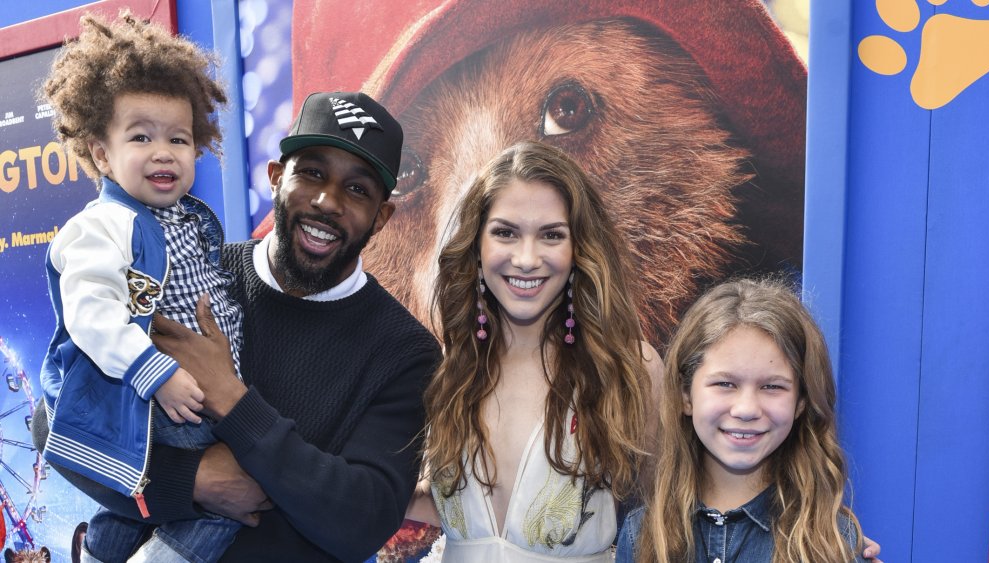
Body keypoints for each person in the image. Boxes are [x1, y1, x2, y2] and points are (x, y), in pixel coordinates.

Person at [32, 89, 442, 562]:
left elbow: (361, 523)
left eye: (358, 189)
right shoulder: (192, 277)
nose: (328, 200)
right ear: (275, 177)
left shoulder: (405, 350)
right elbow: (54, 419)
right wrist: (193, 480)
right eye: (312, 172)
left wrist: (231, 400)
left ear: (382, 216)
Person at [38, 12, 243, 562]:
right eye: (140, 136)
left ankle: (103, 550)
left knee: (145, 494)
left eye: (179, 138)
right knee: (239, 492)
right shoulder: (101, 226)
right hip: (147, 394)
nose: (163, 152)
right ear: (101, 154)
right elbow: (91, 313)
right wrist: (157, 374)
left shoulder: (189, 220)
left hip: (194, 393)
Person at [412, 140, 664, 561]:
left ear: (579, 248)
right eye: (505, 233)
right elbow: (446, 508)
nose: (526, 259)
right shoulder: (446, 367)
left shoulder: (629, 369)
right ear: (476, 245)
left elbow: (663, 523)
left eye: (551, 235)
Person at [615, 278, 871, 562]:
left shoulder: (834, 544)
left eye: (772, 387)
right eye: (725, 384)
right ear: (686, 395)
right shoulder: (641, 536)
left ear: (801, 402)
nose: (746, 409)